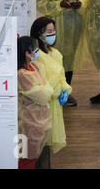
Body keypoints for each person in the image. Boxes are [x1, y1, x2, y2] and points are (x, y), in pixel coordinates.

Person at [37, 0, 90, 106]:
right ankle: (55, 90)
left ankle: (65, 91)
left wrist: (79, 4)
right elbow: (41, 3)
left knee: (69, 60)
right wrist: (59, 4)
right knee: (55, 59)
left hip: (74, 26)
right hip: (56, 26)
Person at [30, 17, 72, 155]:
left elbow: (61, 77)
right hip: (42, 104)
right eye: (48, 31)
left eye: (53, 30)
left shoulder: (56, 54)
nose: (52, 34)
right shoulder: (35, 56)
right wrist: (54, 89)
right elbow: (39, 81)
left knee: (47, 144)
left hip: (55, 104)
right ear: (39, 33)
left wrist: (65, 89)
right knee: (40, 143)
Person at [17, 36, 53, 169]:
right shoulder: (22, 74)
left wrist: (46, 89)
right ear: (27, 53)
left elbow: (47, 89)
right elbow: (44, 95)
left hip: (40, 121)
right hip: (28, 123)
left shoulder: (34, 67)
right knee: (26, 158)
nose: (37, 52)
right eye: (35, 49)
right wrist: (46, 89)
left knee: (36, 156)